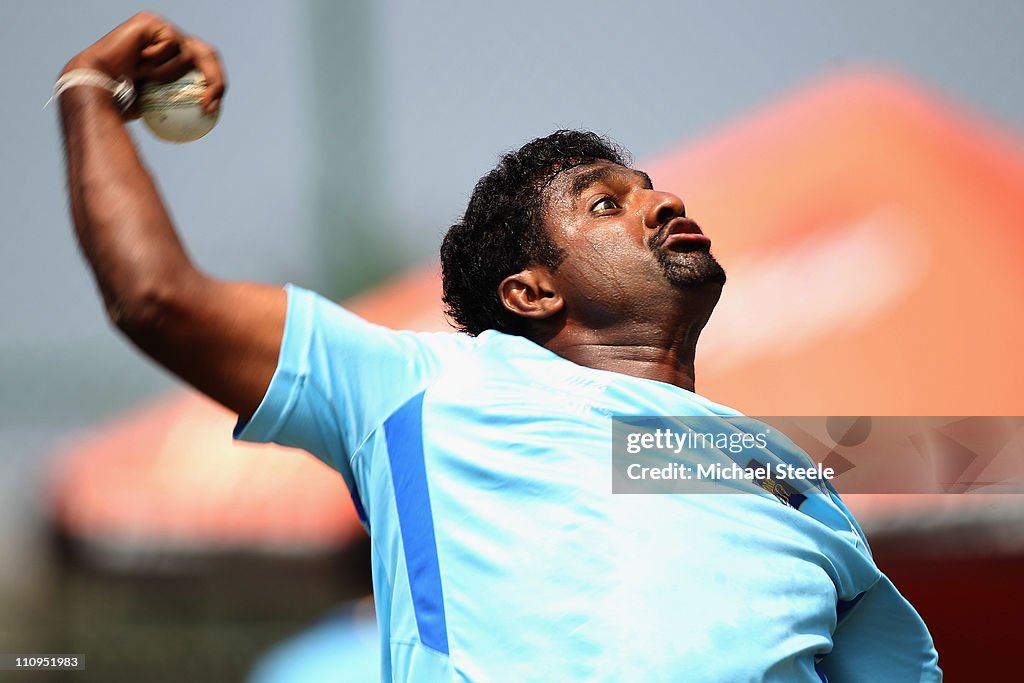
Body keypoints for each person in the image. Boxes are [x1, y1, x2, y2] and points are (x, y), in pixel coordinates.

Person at [57, 13, 941, 682]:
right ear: (530, 292)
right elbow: (156, 296)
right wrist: (91, 91)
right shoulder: (424, 390)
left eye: (652, 189)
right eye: (606, 204)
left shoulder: (788, 478)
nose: (663, 202)